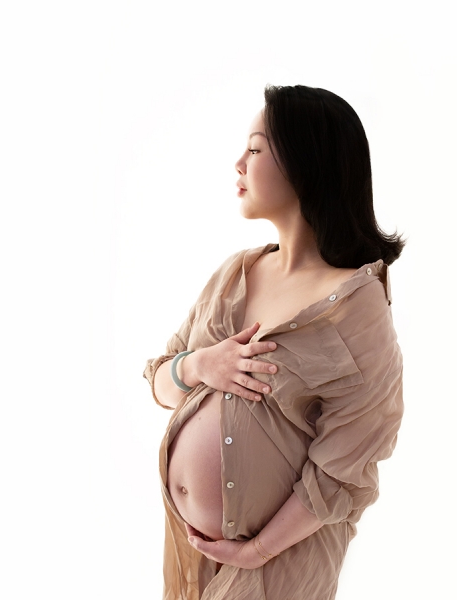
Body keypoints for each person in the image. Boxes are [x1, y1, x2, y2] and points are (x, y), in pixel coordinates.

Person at [144, 84, 404, 600]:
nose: (238, 162)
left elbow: (347, 464)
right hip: (191, 558)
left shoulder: (357, 306)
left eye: (256, 148)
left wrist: (256, 551)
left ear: (306, 163)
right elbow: (159, 378)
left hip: (276, 572)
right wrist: (200, 366)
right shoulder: (234, 274)